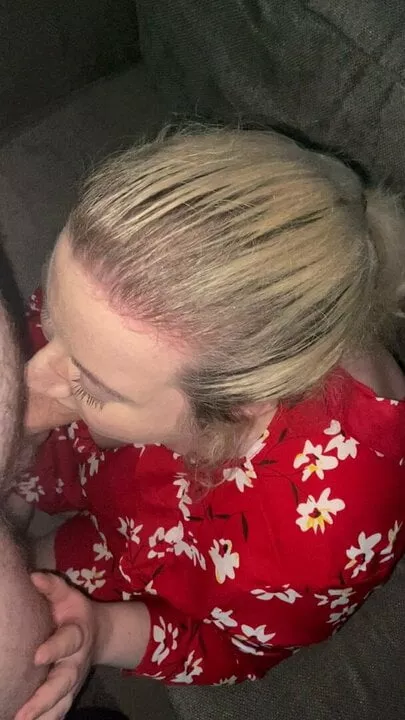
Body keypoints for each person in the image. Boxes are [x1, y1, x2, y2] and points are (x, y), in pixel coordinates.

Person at [12, 128, 405, 719]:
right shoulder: (123, 299)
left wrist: (101, 629)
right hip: (109, 449)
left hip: (165, 547)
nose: (30, 379)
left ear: (237, 404)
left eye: (89, 381)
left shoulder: (320, 537)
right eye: (56, 327)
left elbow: (234, 645)